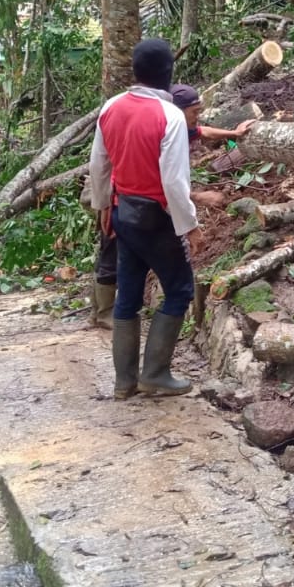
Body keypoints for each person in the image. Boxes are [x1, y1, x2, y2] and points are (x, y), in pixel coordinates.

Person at [88, 39, 202, 400]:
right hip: (156, 219)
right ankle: (154, 373)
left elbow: (98, 164)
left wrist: (104, 206)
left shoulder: (111, 107)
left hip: (123, 214)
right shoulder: (170, 117)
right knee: (180, 289)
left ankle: (124, 381)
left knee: (129, 292)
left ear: (135, 71)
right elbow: (173, 182)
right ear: (168, 74)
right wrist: (190, 225)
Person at [169, 84, 256, 146]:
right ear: (177, 112)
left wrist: (235, 133)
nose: (197, 116)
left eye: (198, 111)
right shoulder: (162, 134)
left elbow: (204, 132)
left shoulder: (181, 128)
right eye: (194, 112)